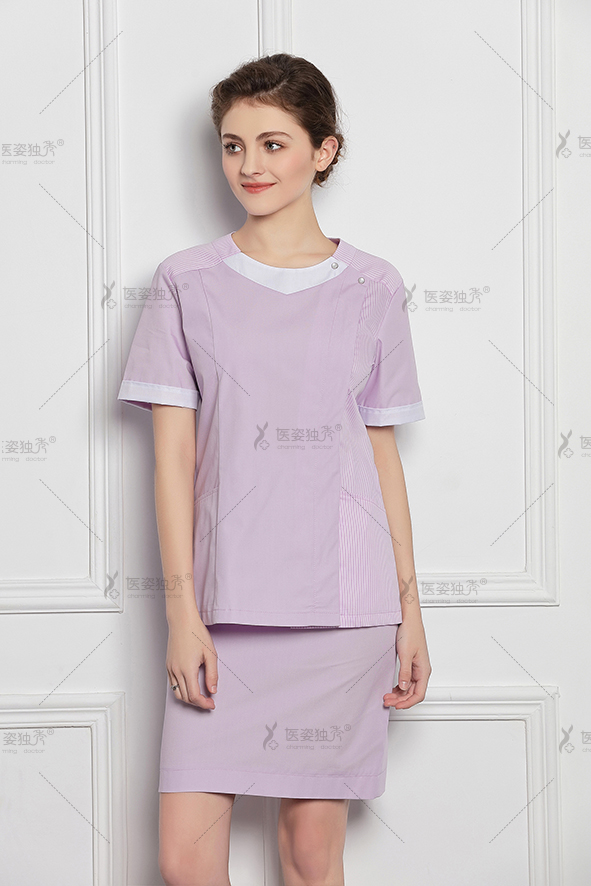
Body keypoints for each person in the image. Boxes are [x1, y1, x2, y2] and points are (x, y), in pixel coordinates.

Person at [118, 52, 431, 886]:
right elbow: (173, 459)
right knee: (184, 862)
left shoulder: (373, 286)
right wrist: (182, 616)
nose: (248, 165)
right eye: (232, 145)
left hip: (343, 614)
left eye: (272, 143)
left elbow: (380, 455)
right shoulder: (183, 282)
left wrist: (410, 612)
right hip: (224, 611)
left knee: (308, 858)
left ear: (324, 151)